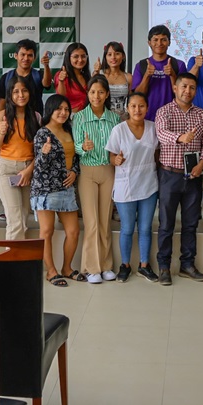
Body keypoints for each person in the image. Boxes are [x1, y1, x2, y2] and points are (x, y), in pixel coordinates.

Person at [154, 73, 203, 285]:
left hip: (193, 175)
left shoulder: (200, 115)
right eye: (184, 87)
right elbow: (161, 134)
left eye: (192, 88)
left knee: (190, 223)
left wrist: (202, 164)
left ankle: (187, 264)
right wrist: (181, 137)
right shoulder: (164, 111)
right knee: (166, 223)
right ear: (176, 89)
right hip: (170, 175)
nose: (188, 91)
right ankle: (164, 267)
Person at [105, 92, 160, 283]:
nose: (137, 110)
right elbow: (110, 156)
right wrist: (116, 160)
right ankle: (125, 265)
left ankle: (144, 265)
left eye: (141, 106)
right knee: (127, 228)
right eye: (133, 106)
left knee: (145, 228)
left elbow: (159, 153)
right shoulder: (119, 130)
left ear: (147, 107)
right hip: (125, 184)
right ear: (127, 108)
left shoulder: (153, 128)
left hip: (148, 183)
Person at [73, 75, 120, 283]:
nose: (96, 96)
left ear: (107, 94)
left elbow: (119, 146)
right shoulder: (79, 117)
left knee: (104, 221)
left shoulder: (115, 119)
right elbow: (75, 145)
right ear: (87, 94)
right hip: (87, 171)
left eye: (101, 92)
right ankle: (91, 268)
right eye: (92, 92)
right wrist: (82, 147)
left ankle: (107, 265)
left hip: (108, 171)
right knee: (91, 222)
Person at [32, 94, 83, 287]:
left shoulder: (70, 130)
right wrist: (44, 154)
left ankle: (67, 268)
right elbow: (39, 167)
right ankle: (51, 271)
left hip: (67, 187)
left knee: (73, 231)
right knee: (46, 231)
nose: (63, 113)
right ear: (50, 110)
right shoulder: (42, 134)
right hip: (45, 189)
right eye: (59, 109)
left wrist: (75, 172)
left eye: (66, 109)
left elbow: (77, 156)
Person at [0, 76, 39, 241]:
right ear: (10, 94)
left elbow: (39, 151)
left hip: (27, 170)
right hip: (7, 170)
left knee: (24, 220)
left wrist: (28, 171)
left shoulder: (36, 117)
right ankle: (10, 265)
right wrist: (2, 132)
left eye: (24, 90)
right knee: (15, 220)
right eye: (16, 91)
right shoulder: (2, 116)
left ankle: (18, 260)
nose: (21, 95)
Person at [131, 24, 186, 121]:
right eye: (155, 40)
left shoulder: (179, 65)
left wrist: (173, 75)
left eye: (163, 40)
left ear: (169, 42)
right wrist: (147, 75)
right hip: (147, 119)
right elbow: (138, 95)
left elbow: (183, 95)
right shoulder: (141, 65)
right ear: (149, 43)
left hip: (172, 119)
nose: (159, 43)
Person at [0, 38, 52, 116]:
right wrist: (0, 121)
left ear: (34, 57)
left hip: (35, 121)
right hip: (12, 122)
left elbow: (47, 84)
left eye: (29, 55)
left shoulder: (39, 75)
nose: (26, 58)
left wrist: (46, 66)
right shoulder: (6, 78)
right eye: (22, 54)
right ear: (16, 56)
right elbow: (2, 103)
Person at [94, 41, 132, 119]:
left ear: (123, 56)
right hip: (103, 118)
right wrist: (96, 72)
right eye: (109, 54)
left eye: (117, 53)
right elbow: (93, 96)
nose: (113, 57)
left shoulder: (128, 77)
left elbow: (132, 101)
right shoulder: (100, 75)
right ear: (105, 57)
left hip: (122, 119)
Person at [55, 42, 91, 113]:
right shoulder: (62, 75)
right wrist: (61, 81)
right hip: (69, 117)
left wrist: (96, 74)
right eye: (76, 57)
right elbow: (61, 98)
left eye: (83, 56)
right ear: (68, 58)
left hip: (87, 117)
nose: (80, 60)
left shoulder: (87, 76)